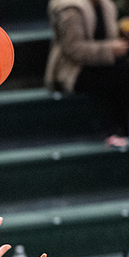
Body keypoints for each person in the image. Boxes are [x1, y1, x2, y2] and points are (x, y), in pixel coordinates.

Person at [45, 0, 129, 148]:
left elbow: (108, 35)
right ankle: (118, 131)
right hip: (74, 71)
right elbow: (73, 49)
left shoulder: (107, 6)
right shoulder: (71, 8)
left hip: (103, 65)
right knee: (119, 75)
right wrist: (110, 49)